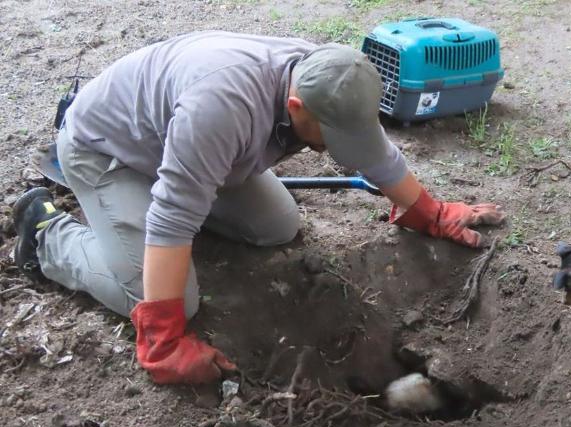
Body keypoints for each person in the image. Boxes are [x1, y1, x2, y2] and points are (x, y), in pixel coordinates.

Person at [12, 31, 505, 385]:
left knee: (276, 224)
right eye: (329, 138)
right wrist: (162, 338)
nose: (338, 146)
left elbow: (376, 154)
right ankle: (45, 236)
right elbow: (174, 215)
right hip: (110, 150)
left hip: (185, 148)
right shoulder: (222, 107)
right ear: (294, 108)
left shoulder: (332, 80)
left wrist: (431, 212)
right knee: (171, 302)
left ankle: (147, 212)